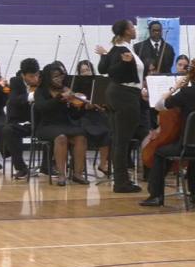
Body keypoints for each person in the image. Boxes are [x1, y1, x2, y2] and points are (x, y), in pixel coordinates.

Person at [141, 59, 195, 207]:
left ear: (191, 74)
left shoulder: (186, 92)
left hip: (187, 146)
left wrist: (174, 88)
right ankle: (194, 195)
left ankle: (156, 196)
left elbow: (159, 106)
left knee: (159, 152)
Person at [95, 19, 145, 193]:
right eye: (132, 27)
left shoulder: (122, 48)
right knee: (121, 141)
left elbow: (104, 67)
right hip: (124, 95)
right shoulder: (121, 49)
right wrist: (124, 63)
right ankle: (121, 182)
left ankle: (121, 180)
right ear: (125, 32)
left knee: (119, 140)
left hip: (122, 94)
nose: (135, 28)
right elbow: (110, 72)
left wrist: (104, 55)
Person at [33, 64, 90, 186]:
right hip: (46, 126)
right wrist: (59, 98)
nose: (60, 79)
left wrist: (84, 107)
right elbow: (42, 108)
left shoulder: (66, 90)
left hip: (65, 125)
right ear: (48, 78)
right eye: (55, 77)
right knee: (61, 138)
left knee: (81, 137)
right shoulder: (40, 91)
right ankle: (61, 175)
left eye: (61, 76)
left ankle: (77, 174)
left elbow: (74, 115)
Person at [2, 58, 40, 179]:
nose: (35, 79)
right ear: (23, 75)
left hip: (38, 122)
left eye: (36, 75)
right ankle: (21, 168)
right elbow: (14, 100)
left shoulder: (42, 81)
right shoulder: (15, 82)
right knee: (8, 130)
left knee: (51, 127)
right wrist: (31, 95)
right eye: (31, 76)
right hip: (20, 122)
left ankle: (47, 166)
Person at [75, 59, 112, 177]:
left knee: (108, 130)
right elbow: (75, 107)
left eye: (88, 70)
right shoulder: (76, 85)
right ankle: (79, 167)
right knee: (83, 133)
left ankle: (103, 164)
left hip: (98, 115)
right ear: (79, 73)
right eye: (83, 71)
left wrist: (102, 103)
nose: (86, 73)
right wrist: (85, 106)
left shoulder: (98, 83)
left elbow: (105, 101)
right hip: (83, 116)